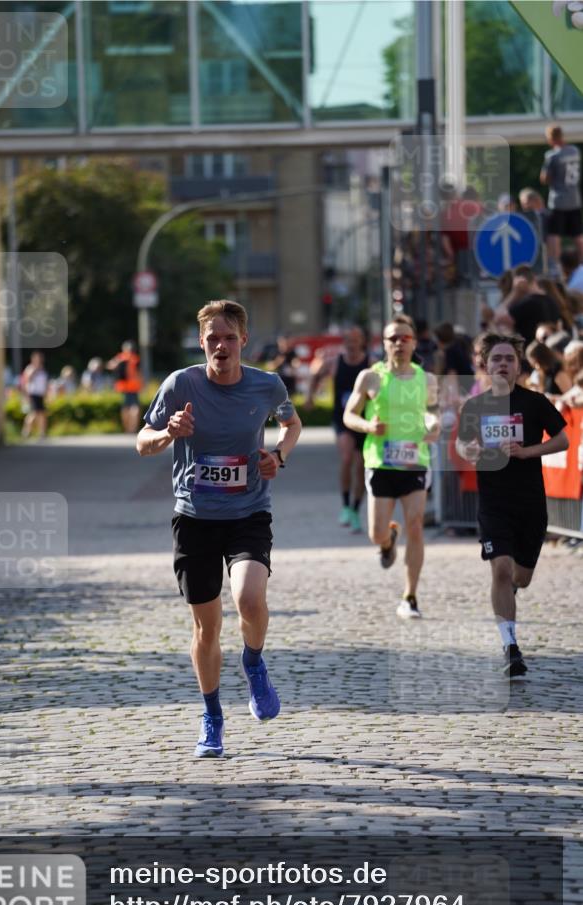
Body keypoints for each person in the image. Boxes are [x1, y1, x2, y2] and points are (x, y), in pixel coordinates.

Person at [136, 299, 301, 759]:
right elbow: (142, 443)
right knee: (207, 628)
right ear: (201, 341)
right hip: (194, 519)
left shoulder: (266, 386)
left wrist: (278, 457)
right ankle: (212, 717)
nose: (221, 346)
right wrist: (169, 432)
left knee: (250, 598)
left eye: (230, 337)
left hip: (248, 513)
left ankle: (253, 661)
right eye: (213, 338)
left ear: (243, 340)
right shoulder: (179, 384)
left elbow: (292, 423)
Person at [456, 332, 569, 677]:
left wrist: (527, 452)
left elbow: (563, 439)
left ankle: (512, 594)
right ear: (485, 365)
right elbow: (463, 444)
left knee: (521, 576)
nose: (502, 364)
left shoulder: (534, 403)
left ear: (519, 365)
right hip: (493, 502)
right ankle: (511, 646)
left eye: (509, 359)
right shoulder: (475, 406)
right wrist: (469, 451)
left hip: (530, 502)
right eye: (496, 359)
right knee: (500, 570)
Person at [343, 317, 440, 619]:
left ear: (413, 342)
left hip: (415, 461)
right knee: (375, 533)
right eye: (392, 338)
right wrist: (368, 425)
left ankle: (410, 596)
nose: (399, 343)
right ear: (384, 344)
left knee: (415, 524)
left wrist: (434, 424)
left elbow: (432, 412)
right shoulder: (370, 377)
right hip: (381, 462)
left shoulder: (428, 380)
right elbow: (349, 415)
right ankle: (387, 542)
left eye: (404, 338)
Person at [306, 327, 369, 532]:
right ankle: (344, 505)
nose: (351, 344)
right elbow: (316, 376)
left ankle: (355, 509)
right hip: (342, 419)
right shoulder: (335, 363)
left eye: (355, 340)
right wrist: (310, 397)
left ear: (362, 342)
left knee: (361, 467)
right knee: (347, 458)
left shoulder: (370, 364)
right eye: (348, 340)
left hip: (364, 420)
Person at [540, 125, 583, 271]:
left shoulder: (552, 155)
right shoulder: (575, 151)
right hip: (575, 199)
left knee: (554, 235)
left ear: (551, 138)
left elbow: (545, 178)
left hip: (558, 200)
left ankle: (556, 267)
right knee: (578, 235)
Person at [108, 340, 142, 433]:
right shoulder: (135, 358)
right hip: (134, 387)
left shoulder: (120, 357)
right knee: (135, 407)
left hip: (122, 387)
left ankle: (127, 429)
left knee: (125, 408)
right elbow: (139, 373)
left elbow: (110, 366)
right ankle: (133, 428)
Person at [20, 351, 48, 439]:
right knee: (34, 414)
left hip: (40, 394)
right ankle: (26, 432)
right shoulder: (30, 368)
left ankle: (42, 433)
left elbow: (44, 382)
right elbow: (27, 381)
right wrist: (26, 395)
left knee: (42, 414)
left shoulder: (42, 370)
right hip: (33, 394)